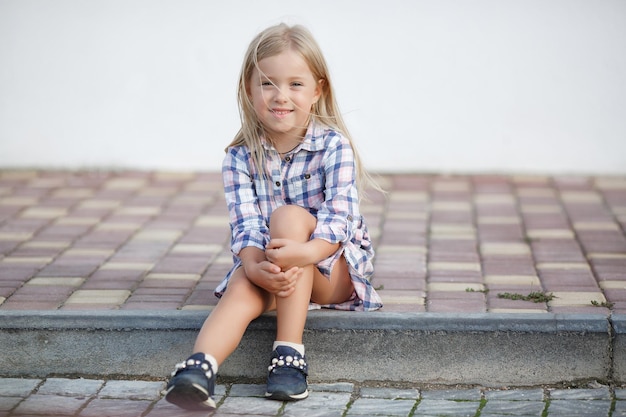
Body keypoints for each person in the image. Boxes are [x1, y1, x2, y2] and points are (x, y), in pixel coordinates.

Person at [164, 22, 383, 411]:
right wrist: (252, 265)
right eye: (267, 83)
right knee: (245, 286)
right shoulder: (238, 157)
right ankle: (199, 369)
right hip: (275, 262)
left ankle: (290, 353)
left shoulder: (334, 146)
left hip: (331, 269)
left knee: (287, 217)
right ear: (248, 91)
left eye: (295, 84)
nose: (281, 96)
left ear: (318, 91)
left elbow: (338, 223)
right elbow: (245, 225)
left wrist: (300, 253)